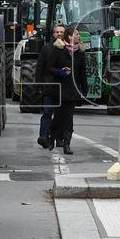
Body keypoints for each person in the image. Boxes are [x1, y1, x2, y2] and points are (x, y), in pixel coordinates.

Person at [45, 26, 87, 154]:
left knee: (69, 119)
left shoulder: (80, 53)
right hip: (59, 89)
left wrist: (84, 89)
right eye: (76, 34)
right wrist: (60, 72)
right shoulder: (59, 50)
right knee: (58, 117)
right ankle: (52, 137)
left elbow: (82, 73)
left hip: (73, 90)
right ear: (69, 36)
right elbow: (49, 68)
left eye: (78, 34)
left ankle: (66, 144)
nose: (78, 36)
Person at [35, 24, 65, 149]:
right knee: (47, 112)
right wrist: (38, 85)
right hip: (49, 86)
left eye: (61, 32)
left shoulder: (68, 49)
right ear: (53, 34)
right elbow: (40, 68)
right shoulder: (46, 48)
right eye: (57, 32)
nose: (59, 34)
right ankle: (43, 137)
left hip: (63, 87)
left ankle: (59, 139)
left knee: (61, 114)